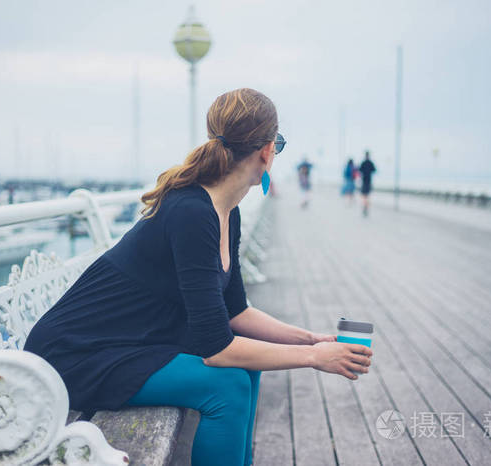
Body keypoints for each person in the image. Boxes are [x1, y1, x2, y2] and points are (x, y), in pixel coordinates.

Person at [23, 88, 372, 466]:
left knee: (245, 371)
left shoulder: (226, 210)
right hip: (73, 358)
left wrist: (312, 338)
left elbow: (236, 311)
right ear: (267, 152)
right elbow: (216, 348)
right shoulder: (191, 212)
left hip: (128, 343)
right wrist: (313, 357)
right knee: (228, 385)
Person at [359, 150, 377, 216]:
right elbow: (374, 170)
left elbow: (360, 170)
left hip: (364, 181)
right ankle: (366, 207)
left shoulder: (363, 163)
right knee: (368, 196)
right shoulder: (370, 163)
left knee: (364, 196)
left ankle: (365, 206)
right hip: (369, 181)